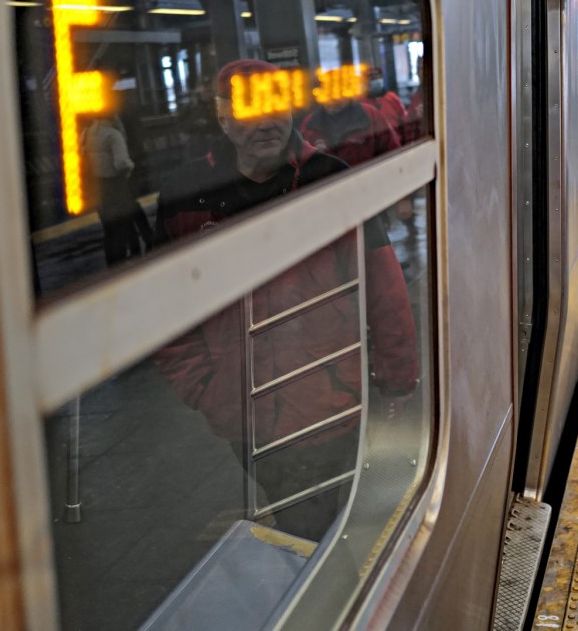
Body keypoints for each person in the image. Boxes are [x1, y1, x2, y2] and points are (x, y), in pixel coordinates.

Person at [153, 58, 419, 540]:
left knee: (318, 528)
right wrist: (208, 391)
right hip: (244, 417)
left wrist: (397, 381)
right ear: (222, 117)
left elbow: (384, 290)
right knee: (310, 526)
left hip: (330, 405)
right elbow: (164, 313)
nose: (270, 122)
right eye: (253, 108)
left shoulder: (330, 177)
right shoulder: (186, 196)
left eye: (279, 106)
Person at [81, 111, 147, 266]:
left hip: (99, 188)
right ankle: (131, 255)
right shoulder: (113, 135)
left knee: (109, 229)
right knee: (123, 224)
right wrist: (131, 168)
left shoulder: (86, 134)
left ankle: (112, 263)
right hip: (116, 186)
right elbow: (121, 164)